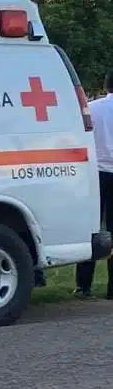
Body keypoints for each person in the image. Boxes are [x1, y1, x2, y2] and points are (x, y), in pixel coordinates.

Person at [74, 70, 113, 299]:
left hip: (95, 173)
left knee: (92, 228)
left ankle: (83, 285)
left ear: (105, 85)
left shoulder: (92, 108)